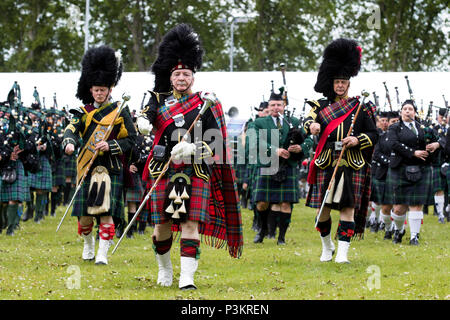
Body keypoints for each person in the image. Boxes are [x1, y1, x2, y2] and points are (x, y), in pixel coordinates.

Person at [141, 23, 243, 290]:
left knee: (190, 224)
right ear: (170, 77)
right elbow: (144, 121)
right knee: (160, 227)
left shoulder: (206, 103)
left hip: (194, 170)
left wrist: (194, 149)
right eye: (177, 74)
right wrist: (142, 122)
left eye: (186, 74)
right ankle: (165, 270)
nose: (181, 78)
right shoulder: (157, 101)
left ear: (193, 77)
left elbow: (218, 142)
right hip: (163, 169)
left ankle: (187, 279)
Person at [305, 38, 378, 263]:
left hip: (352, 161)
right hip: (327, 160)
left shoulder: (360, 107)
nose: (340, 85)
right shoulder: (319, 106)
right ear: (332, 82)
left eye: (344, 82)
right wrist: (312, 127)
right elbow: (306, 124)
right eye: (337, 81)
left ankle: (343, 255)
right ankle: (327, 247)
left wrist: (357, 140)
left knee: (348, 208)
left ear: (349, 83)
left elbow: (375, 135)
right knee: (323, 210)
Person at [62, 45, 137, 265]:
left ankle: (102, 254)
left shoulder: (119, 111)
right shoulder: (82, 113)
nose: (99, 92)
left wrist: (111, 145)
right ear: (90, 89)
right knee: (84, 217)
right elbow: (71, 130)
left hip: (110, 167)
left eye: (103, 89)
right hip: (87, 167)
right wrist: (68, 143)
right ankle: (88, 244)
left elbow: (131, 139)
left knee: (106, 212)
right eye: (96, 89)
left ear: (110, 89)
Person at [252, 89, 313, 245]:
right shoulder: (259, 123)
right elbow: (256, 141)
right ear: (269, 106)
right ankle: (263, 229)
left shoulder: (294, 122)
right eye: (273, 105)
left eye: (279, 105)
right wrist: (275, 150)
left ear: (284, 106)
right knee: (262, 203)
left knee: (286, 203)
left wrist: (301, 148)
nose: (276, 108)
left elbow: (309, 140)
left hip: (288, 166)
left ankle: (281, 237)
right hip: (267, 165)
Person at [385, 100, 439, 245]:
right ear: (401, 112)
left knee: (417, 203)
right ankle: (399, 230)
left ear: (415, 112)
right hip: (400, 168)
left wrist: (435, 144)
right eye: (405, 109)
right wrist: (413, 152)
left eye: (410, 109)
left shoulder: (424, 128)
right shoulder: (394, 128)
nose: (408, 111)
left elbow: (438, 140)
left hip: (421, 168)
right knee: (398, 208)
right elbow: (393, 144)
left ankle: (414, 236)